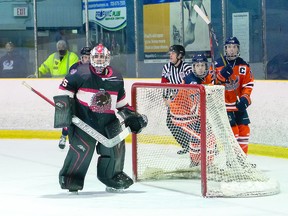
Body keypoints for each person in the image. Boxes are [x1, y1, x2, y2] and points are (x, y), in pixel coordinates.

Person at [54, 43, 147, 193]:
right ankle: (72, 179)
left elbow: (121, 103)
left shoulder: (116, 77)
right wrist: (65, 110)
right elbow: (64, 91)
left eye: (101, 56)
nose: (98, 59)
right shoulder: (80, 72)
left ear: (108, 58)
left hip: (108, 122)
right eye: (96, 56)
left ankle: (112, 177)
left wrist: (132, 117)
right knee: (81, 150)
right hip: (84, 120)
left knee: (115, 149)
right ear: (91, 58)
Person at [169, 54, 215, 166]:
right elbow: (196, 104)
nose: (200, 68)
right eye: (197, 65)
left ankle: (202, 163)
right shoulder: (191, 81)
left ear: (206, 66)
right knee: (204, 137)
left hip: (193, 115)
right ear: (193, 67)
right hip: (181, 115)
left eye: (203, 65)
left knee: (201, 136)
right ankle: (200, 163)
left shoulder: (207, 77)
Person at [214, 36, 254, 154]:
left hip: (238, 104)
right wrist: (221, 77)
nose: (232, 50)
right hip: (224, 105)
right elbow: (211, 85)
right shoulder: (217, 64)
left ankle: (242, 161)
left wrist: (245, 98)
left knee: (244, 130)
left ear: (238, 49)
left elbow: (248, 84)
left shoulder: (243, 65)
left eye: (234, 47)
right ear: (225, 49)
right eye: (229, 47)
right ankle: (232, 160)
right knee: (233, 131)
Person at [161, 44, 193, 155]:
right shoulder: (167, 67)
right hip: (173, 102)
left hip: (186, 101)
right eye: (170, 53)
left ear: (180, 55)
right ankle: (186, 146)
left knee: (190, 124)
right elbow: (164, 84)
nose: (170, 55)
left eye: (173, 53)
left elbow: (189, 86)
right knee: (170, 123)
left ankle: (202, 144)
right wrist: (166, 99)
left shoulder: (186, 68)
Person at [58, 46, 92, 149]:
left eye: (89, 57)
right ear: (81, 57)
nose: (87, 59)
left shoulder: (95, 68)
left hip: (88, 97)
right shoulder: (74, 68)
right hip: (75, 96)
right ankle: (64, 135)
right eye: (85, 57)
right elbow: (68, 82)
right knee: (70, 118)